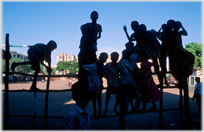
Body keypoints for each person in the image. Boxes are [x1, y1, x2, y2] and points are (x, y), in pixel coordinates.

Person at [102, 52, 120, 117]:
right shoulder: (108, 65)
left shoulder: (118, 65)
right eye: (114, 57)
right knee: (108, 98)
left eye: (116, 57)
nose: (115, 58)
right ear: (111, 58)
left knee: (116, 98)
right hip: (111, 84)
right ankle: (107, 110)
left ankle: (114, 109)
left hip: (116, 84)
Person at [94, 52, 109, 119]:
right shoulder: (99, 65)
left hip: (98, 83)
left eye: (105, 58)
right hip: (97, 83)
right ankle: (96, 111)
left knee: (98, 99)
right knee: (95, 99)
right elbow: (106, 76)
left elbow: (106, 76)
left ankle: (98, 111)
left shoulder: (101, 66)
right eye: (103, 57)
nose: (104, 59)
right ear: (99, 57)